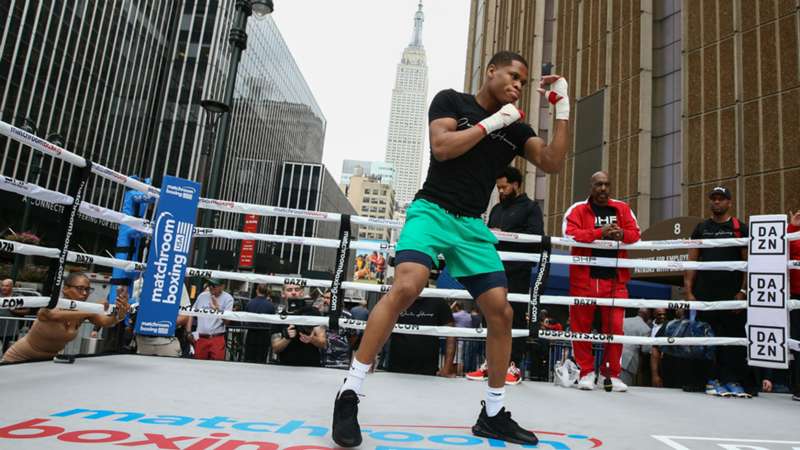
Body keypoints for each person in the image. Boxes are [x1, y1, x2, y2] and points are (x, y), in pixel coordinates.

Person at [332, 50, 571, 447]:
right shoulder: (451, 101)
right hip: (431, 211)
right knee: (407, 286)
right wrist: (491, 123)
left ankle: (493, 413)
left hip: (471, 225)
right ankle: (350, 392)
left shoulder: (515, 127)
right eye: (512, 76)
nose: (517, 86)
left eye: (523, 83)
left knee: (501, 311)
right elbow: (442, 147)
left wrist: (562, 109)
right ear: (490, 71)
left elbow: (552, 162)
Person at [563, 171, 641, 392]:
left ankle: (611, 374)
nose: (603, 188)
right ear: (592, 186)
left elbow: (635, 234)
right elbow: (569, 234)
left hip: (614, 280)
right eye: (599, 184)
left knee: (615, 329)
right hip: (584, 278)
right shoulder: (577, 209)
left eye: (607, 184)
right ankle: (586, 372)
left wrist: (620, 234)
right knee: (581, 328)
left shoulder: (623, 209)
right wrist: (599, 233)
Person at [684, 186, 750, 398]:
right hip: (705, 294)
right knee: (706, 339)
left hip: (732, 295)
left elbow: (749, 262)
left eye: (721, 199)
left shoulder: (740, 227)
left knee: (733, 339)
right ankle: (709, 380)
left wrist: (742, 291)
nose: (717, 202)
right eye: (714, 199)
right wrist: (689, 292)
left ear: (729, 202)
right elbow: (692, 260)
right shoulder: (701, 228)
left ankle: (731, 380)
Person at [487, 165, 544, 383]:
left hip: (518, 271)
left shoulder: (531, 208)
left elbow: (536, 239)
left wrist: (506, 236)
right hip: (493, 269)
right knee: (491, 316)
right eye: (498, 188)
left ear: (516, 185)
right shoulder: (495, 210)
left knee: (516, 316)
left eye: (504, 187)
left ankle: (513, 365)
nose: (501, 191)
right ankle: (490, 363)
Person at [1, 272, 129, 363]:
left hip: (48, 362)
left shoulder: (85, 310)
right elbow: (50, 314)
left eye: (88, 289)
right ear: (65, 289)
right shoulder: (53, 304)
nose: (84, 293)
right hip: (19, 357)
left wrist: (120, 314)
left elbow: (106, 322)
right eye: (80, 289)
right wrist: (91, 309)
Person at [385, 296, 455, 377]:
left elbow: (451, 334)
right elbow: (380, 328)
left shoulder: (438, 301)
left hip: (428, 370)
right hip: (396, 369)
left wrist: (447, 367)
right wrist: (369, 359)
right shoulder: (397, 300)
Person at [271, 283, 326, 367]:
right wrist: (287, 338)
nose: (293, 292)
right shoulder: (279, 317)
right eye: (289, 290)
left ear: (302, 292)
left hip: (311, 366)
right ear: (283, 294)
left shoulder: (313, 312)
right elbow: (275, 348)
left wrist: (311, 339)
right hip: (286, 366)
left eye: (297, 289)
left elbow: (323, 343)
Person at [190, 278, 234, 361]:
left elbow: (227, 322)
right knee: (197, 367)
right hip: (201, 338)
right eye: (209, 284)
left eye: (214, 285)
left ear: (222, 286)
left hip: (217, 338)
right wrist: (189, 332)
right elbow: (191, 314)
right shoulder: (202, 296)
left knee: (216, 368)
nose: (211, 287)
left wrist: (218, 309)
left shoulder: (228, 298)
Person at [243, 284, 275, 364]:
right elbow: (273, 320)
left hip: (251, 333)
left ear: (257, 290)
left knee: (249, 359)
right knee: (261, 360)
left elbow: (245, 318)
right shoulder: (270, 305)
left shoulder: (250, 303)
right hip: (264, 334)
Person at [621, 309, 652, 386]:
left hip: (616, 355)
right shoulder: (646, 328)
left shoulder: (624, 320)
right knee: (624, 386)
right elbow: (645, 349)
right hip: (629, 360)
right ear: (647, 315)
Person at [788, 210, 800, 401]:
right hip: (797, 294)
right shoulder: (795, 235)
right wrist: (793, 226)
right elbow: (785, 250)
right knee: (797, 341)